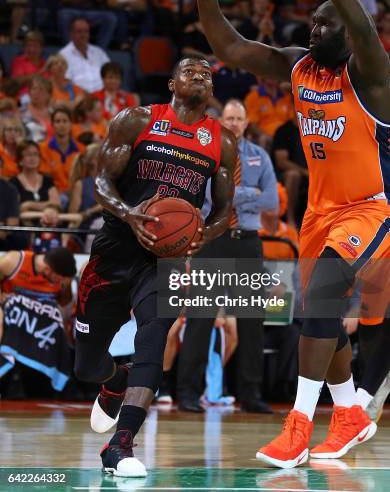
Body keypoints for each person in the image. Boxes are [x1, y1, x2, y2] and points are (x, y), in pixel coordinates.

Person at [186, 0, 390, 468]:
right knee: (318, 315)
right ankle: (352, 409)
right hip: (321, 209)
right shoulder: (300, 66)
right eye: (311, 23)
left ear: (349, 34)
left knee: (323, 301)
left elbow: (359, 21)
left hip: (373, 205)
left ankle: (299, 426)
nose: (314, 30)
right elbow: (232, 50)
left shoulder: (372, 77)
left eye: (323, 24)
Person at [73, 56, 237, 477]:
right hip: (115, 248)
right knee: (87, 365)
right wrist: (129, 214)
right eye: (190, 71)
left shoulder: (221, 142)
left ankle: (121, 445)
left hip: (164, 259)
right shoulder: (136, 120)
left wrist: (204, 234)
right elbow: (102, 183)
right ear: (171, 83)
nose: (200, 76)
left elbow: (223, 212)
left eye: (207, 74)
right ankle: (114, 380)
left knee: (155, 334)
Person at [177, 98, 278, 413]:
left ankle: (250, 394)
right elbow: (207, 196)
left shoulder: (260, 157)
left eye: (239, 118)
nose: (234, 123)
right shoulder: (207, 154)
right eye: (229, 118)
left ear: (247, 123)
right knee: (200, 319)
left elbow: (271, 200)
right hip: (214, 240)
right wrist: (250, 194)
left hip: (247, 243)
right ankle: (188, 394)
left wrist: (233, 195)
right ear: (221, 122)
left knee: (251, 321)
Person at [353, 57, 390, 422]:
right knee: (371, 323)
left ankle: (361, 401)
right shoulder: (375, 137)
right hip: (382, 234)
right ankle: (375, 381)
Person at [0, 247, 76, 392]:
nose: (61, 281)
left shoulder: (62, 279)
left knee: (56, 325)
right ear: (48, 270)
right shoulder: (13, 261)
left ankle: (44, 387)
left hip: (40, 328)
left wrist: (66, 288)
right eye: (60, 278)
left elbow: (64, 305)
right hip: (12, 321)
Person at [39, 107, 82, 198]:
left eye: (65, 121)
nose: (61, 125)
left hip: (75, 194)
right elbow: (45, 177)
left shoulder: (81, 150)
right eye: (57, 121)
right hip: (52, 194)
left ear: (71, 124)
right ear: (52, 125)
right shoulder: (43, 148)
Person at [59, 17, 109, 93]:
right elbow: (65, 82)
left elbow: (110, 74)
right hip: (79, 97)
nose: (83, 35)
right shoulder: (63, 55)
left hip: (103, 96)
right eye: (79, 31)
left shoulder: (99, 52)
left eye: (86, 31)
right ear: (71, 34)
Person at [10, 140, 61, 214]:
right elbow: (16, 209)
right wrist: (47, 205)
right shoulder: (13, 182)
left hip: (49, 220)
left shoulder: (47, 179)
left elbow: (57, 204)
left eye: (35, 154)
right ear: (20, 161)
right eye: (28, 155)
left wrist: (29, 205)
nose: (33, 158)